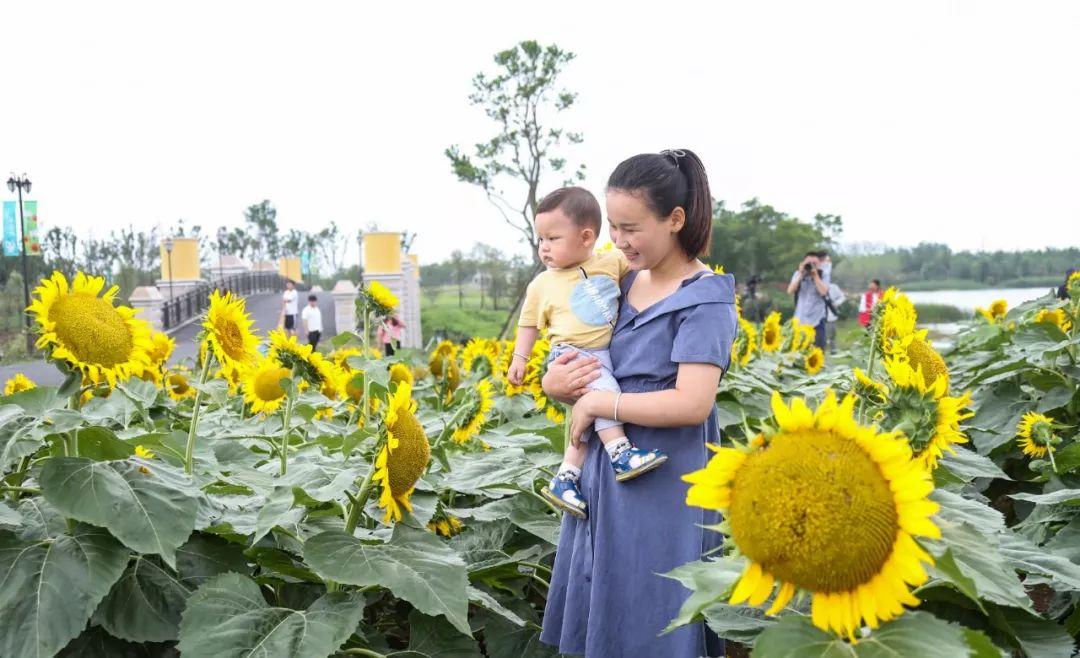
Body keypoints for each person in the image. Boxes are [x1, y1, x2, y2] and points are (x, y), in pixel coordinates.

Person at [539, 150, 737, 657]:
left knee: (655, 610)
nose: (620, 241)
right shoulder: (619, 282)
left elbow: (693, 403)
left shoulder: (706, 299)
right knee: (603, 604)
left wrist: (599, 404)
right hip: (602, 473)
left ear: (675, 220)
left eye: (632, 228)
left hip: (664, 480)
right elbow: (577, 345)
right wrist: (556, 384)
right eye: (613, 227)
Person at [507, 186, 665, 520]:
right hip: (572, 354)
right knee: (605, 395)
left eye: (552, 238)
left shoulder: (611, 262)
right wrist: (520, 358)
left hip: (603, 353)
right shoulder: (541, 284)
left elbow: (647, 267)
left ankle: (566, 478)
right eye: (540, 240)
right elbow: (527, 324)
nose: (544, 248)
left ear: (586, 236)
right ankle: (620, 452)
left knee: (588, 418)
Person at [786, 251, 830, 349]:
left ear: (819, 264)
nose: (811, 266)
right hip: (800, 319)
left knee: (817, 352)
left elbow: (824, 292)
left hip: (817, 321)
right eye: (809, 263)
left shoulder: (823, 275)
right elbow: (790, 290)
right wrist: (801, 274)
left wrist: (815, 276)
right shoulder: (798, 274)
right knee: (796, 351)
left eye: (814, 264)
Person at [825, 281, 846, 354]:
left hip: (830, 315)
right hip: (816, 316)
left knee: (831, 334)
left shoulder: (833, 287)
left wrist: (836, 304)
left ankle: (833, 350)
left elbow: (842, 297)